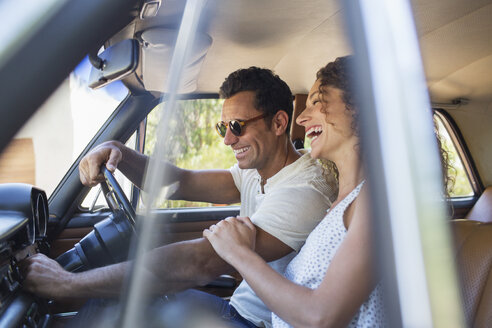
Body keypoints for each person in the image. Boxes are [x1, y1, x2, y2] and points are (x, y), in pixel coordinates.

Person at [21, 67, 337, 327]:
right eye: (223, 127)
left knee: (113, 302)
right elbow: (180, 181)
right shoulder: (257, 170)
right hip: (237, 309)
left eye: (237, 126)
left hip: (255, 322)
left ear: (279, 123)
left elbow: (202, 260)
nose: (228, 139)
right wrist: (120, 152)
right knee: (116, 299)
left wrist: (67, 283)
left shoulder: (303, 192)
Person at [203, 57, 387, 327]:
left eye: (316, 102)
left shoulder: (377, 202)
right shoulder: (346, 200)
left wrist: (238, 253)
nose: (301, 117)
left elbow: (321, 317)